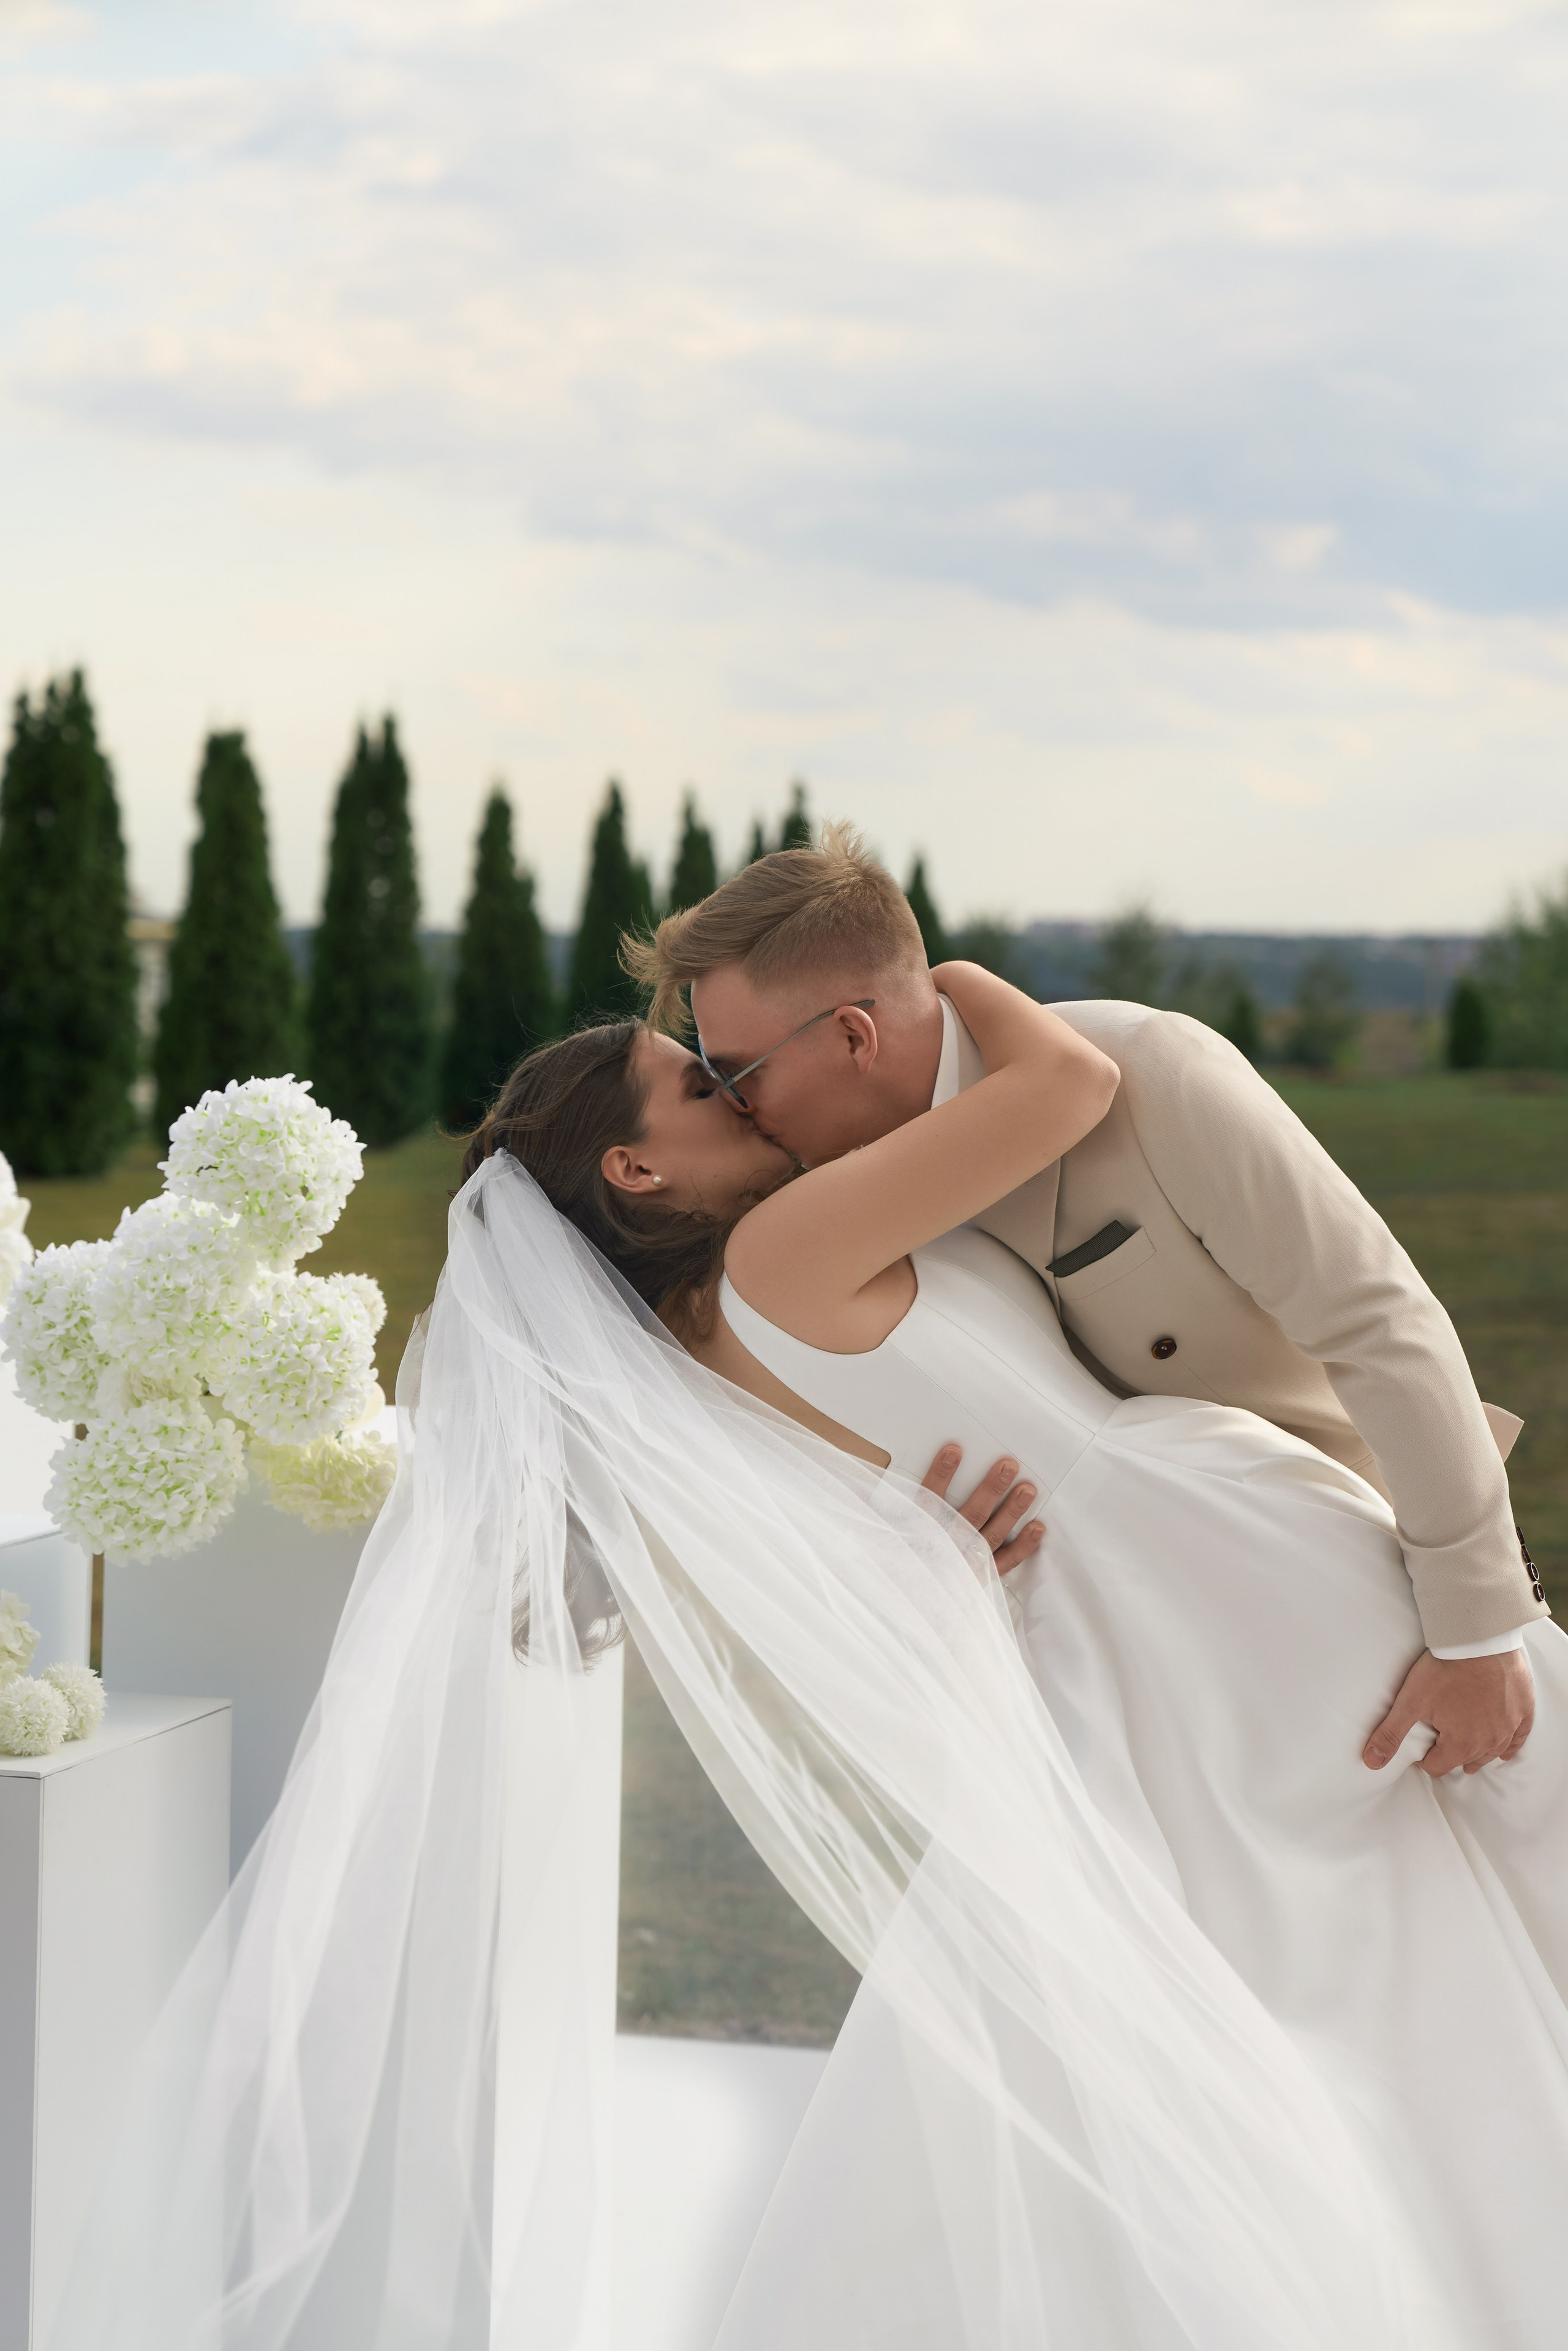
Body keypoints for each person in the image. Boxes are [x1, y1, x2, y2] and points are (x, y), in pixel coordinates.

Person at [453, 946, 1568, 2347]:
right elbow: (1064, 1081)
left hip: (1100, 1615)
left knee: (1307, 1950)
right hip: (1199, 1561)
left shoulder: (696, 1338)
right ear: (632, 1168)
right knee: (1389, 1899)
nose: (732, 1088)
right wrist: (941, 975)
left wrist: (939, 1557)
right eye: (695, 1081)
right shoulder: (778, 1251)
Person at [625, 825, 1545, 1779]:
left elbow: (1379, 1321)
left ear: (855, 1036)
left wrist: (1475, 1631)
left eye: (739, 1073)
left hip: (1359, 1585)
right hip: (1129, 1674)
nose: (739, 1107)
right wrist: (929, 1553)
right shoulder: (824, 1204)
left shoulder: (1154, 1072)